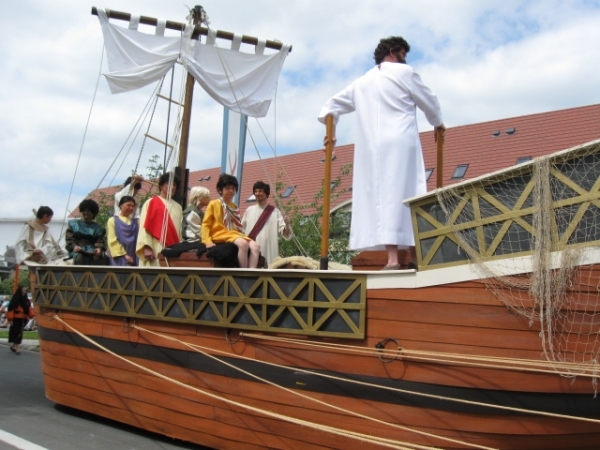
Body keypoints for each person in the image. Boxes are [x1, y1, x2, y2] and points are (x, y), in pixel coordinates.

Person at [318, 36, 445, 270]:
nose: (405, 59)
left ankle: (395, 258)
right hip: (399, 141)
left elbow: (329, 107)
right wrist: (437, 123)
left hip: (371, 149)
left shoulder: (361, 82)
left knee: (383, 199)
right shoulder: (405, 73)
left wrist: (332, 130)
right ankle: (412, 255)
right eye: (403, 54)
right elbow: (429, 100)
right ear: (392, 51)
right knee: (407, 194)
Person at [201, 174, 260, 268]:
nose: (231, 191)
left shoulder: (234, 206)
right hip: (219, 234)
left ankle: (252, 273)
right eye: (228, 188)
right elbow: (206, 224)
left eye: (233, 188)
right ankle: (243, 274)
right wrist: (207, 241)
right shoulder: (213, 204)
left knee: (256, 246)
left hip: (233, 234)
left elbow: (236, 225)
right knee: (243, 244)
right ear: (220, 190)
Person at [136, 172, 183, 267]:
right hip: (154, 247)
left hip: (173, 249)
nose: (172, 187)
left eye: (174, 185)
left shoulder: (178, 207)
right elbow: (144, 227)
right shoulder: (151, 202)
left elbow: (180, 231)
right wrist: (146, 247)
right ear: (161, 186)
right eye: (169, 184)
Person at [242, 181, 292, 266]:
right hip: (252, 251)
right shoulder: (249, 210)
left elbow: (286, 233)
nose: (257, 193)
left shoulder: (275, 212)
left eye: (260, 191)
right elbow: (241, 231)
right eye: (256, 191)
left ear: (266, 193)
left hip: (269, 252)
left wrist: (287, 224)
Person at [65, 199, 108, 265]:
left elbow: (99, 241)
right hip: (78, 249)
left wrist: (99, 248)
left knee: (98, 259)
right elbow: (69, 239)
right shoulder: (74, 224)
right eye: (84, 210)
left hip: (93, 249)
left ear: (93, 213)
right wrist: (74, 246)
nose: (86, 213)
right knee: (80, 258)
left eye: (89, 211)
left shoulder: (99, 228)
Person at [107, 195, 139, 266]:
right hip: (119, 257)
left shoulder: (136, 222)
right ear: (121, 205)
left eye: (133, 206)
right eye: (128, 205)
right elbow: (112, 240)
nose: (131, 208)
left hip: (134, 257)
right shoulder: (112, 220)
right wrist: (124, 255)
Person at [6, 286, 34, 355]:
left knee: (19, 332)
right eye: (23, 290)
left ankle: (15, 347)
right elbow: (10, 309)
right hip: (15, 318)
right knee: (15, 332)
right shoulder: (15, 299)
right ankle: (16, 347)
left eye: (25, 290)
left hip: (22, 319)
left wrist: (31, 316)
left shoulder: (26, 300)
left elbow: (29, 308)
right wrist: (10, 319)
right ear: (19, 291)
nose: (24, 292)